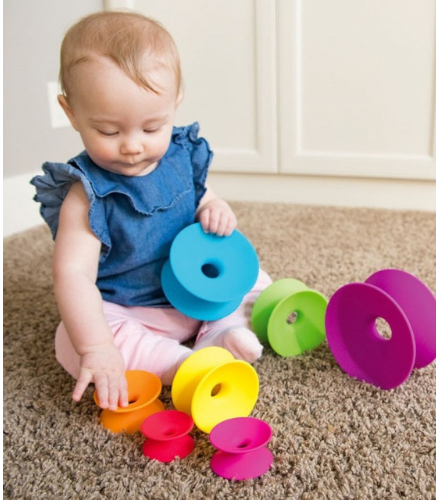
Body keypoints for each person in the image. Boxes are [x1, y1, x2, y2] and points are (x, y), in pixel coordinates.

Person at [31, 11, 272, 413]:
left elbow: (200, 194)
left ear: (174, 103)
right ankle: (183, 363)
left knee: (255, 278)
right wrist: (96, 347)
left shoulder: (180, 155)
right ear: (71, 112)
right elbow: (72, 274)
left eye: (151, 128)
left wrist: (214, 206)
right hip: (133, 309)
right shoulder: (86, 195)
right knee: (71, 341)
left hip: (195, 294)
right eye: (109, 131)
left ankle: (221, 332)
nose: (132, 145)